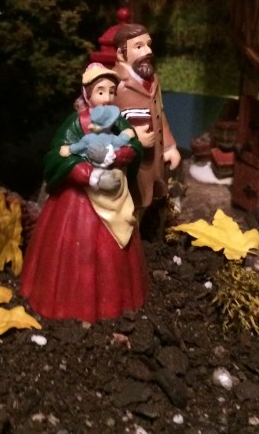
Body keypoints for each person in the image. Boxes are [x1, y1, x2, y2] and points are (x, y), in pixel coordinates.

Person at [20, 64, 147, 322]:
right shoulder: (76, 123)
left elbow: (133, 143)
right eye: (100, 91)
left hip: (116, 197)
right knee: (72, 254)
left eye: (111, 92)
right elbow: (58, 155)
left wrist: (121, 154)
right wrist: (86, 173)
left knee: (116, 256)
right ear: (87, 95)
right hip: (78, 203)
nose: (107, 98)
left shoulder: (118, 122)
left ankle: (117, 302)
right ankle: (66, 304)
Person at [112, 23, 181, 237]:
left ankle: (143, 239)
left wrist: (169, 146)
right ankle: (127, 243)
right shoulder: (115, 85)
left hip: (153, 159)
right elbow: (103, 125)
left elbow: (160, 115)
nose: (148, 51)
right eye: (139, 47)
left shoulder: (153, 80)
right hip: (131, 164)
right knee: (130, 204)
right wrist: (132, 136)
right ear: (121, 54)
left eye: (148, 45)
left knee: (150, 201)